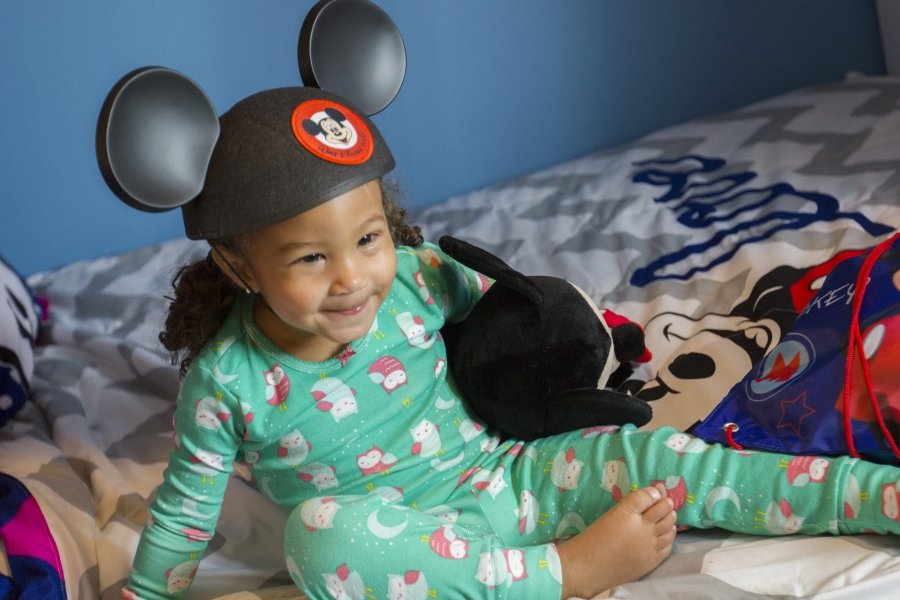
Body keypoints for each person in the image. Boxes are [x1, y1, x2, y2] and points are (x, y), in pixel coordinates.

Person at [124, 86, 900, 600]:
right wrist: (145, 592)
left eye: (367, 238)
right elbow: (183, 516)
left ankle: (874, 496)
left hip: (517, 477)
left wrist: (581, 355)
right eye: (309, 258)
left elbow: (523, 311)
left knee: (661, 458)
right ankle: (563, 573)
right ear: (238, 264)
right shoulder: (230, 381)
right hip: (409, 541)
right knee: (320, 539)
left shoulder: (419, 277)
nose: (353, 279)